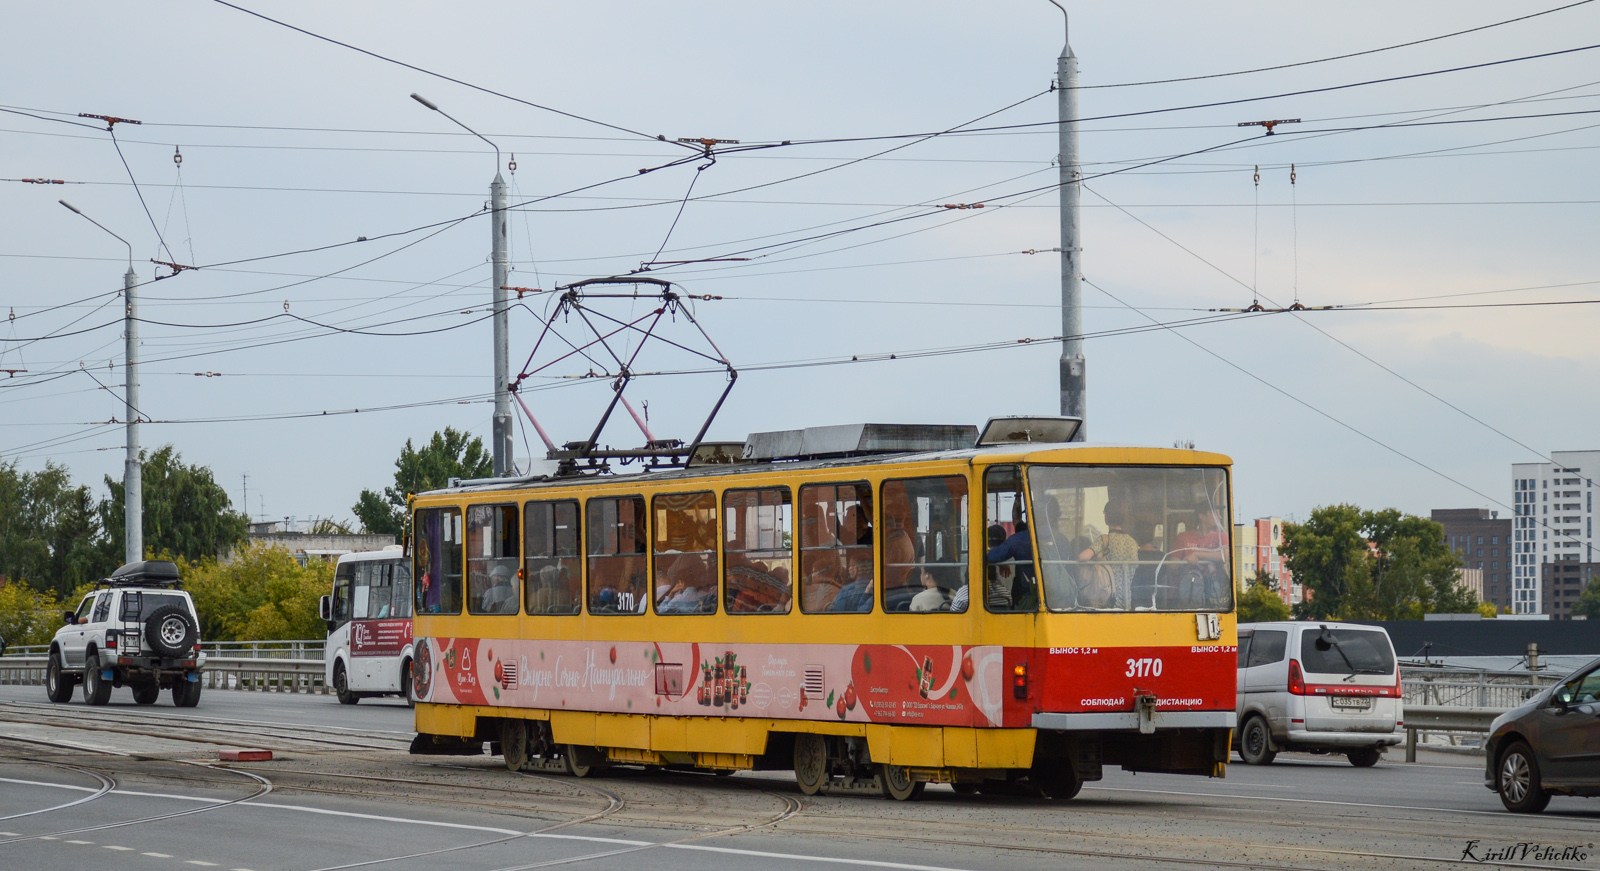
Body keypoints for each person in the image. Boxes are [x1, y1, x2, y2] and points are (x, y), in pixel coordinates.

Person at [1078, 501, 1138, 609]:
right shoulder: (1133, 542)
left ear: (1106, 517)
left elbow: (1083, 557)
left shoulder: (1105, 539)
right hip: (1127, 602)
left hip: (1108, 601)